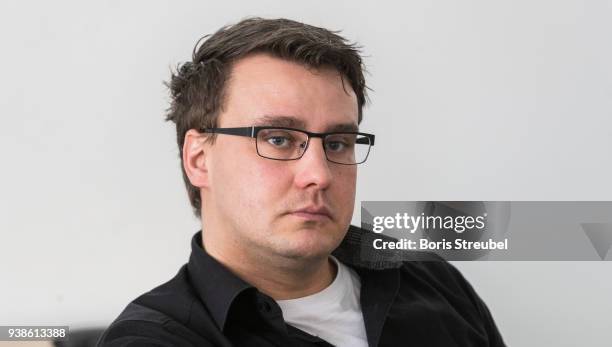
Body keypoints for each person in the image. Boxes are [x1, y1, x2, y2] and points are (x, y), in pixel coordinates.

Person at [98, 17, 505, 347]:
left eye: (338, 143)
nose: (319, 174)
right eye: (278, 139)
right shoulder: (154, 340)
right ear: (199, 159)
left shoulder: (429, 279)